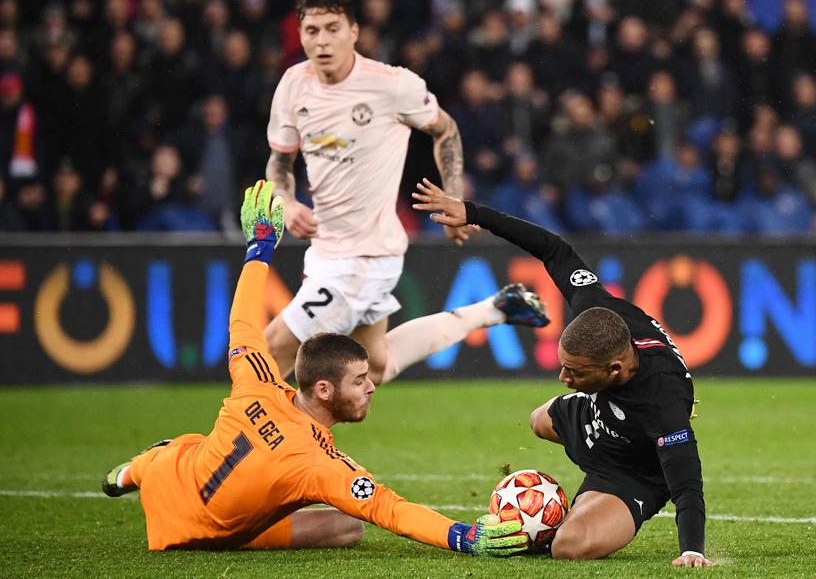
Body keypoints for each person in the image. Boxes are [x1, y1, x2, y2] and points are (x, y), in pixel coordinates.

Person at [100, 181, 527, 557]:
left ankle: (124, 475)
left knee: (186, 449)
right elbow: (388, 507)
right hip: (196, 536)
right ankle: (139, 468)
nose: (371, 388)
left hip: (167, 476)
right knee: (350, 524)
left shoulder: (256, 384)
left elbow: (243, 324)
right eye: (359, 382)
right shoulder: (317, 465)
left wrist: (258, 249)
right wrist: (463, 536)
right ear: (323, 389)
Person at [411, 179, 710, 568]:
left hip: (634, 470)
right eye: (563, 366)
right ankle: (563, 501)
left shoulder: (661, 402)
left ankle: (560, 520)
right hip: (595, 415)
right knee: (539, 421)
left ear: (614, 368)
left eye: (575, 372)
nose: (563, 378)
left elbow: (688, 484)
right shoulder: (595, 307)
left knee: (568, 546)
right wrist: (474, 213)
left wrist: (692, 551)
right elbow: (555, 249)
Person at [263, 0, 547, 382]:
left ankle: (233, 446)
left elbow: (445, 130)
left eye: (332, 29)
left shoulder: (391, 85)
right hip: (325, 249)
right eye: (312, 31)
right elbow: (280, 160)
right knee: (377, 366)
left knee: (268, 354)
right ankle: (495, 309)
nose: (322, 41)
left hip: (365, 257)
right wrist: (287, 203)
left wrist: (456, 202)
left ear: (354, 31)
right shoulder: (294, 84)